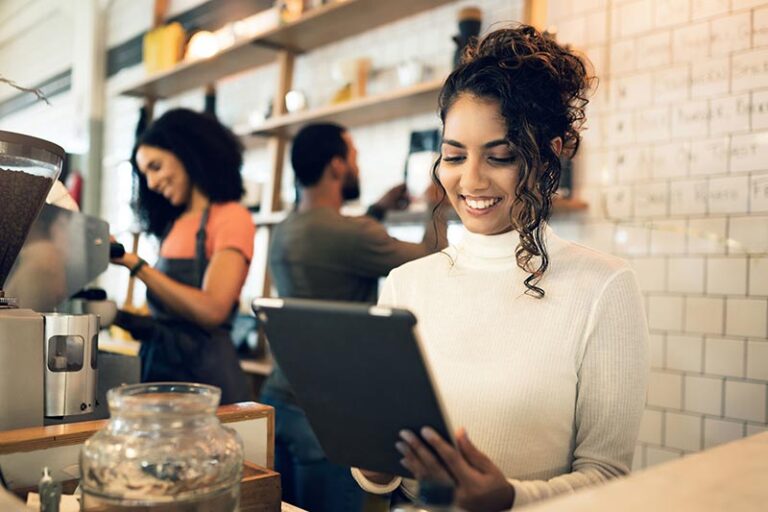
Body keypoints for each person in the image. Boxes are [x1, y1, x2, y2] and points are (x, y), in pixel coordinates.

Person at [353, 26, 649, 511]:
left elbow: (607, 477)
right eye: (453, 156)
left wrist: (509, 498)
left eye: (501, 156)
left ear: (551, 153)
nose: (470, 180)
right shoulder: (406, 283)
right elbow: (377, 472)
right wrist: (373, 465)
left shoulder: (603, 287)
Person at [260, 122, 449, 512]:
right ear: (335, 166)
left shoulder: (285, 229)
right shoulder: (352, 234)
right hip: (328, 417)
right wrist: (438, 204)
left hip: (279, 400)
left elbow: (339, 247)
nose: (356, 167)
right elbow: (433, 260)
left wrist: (377, 210)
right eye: (354, 158)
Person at [111, 108, 252, 405]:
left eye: (156, 167)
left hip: (207, 382)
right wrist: (115, 316)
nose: (151, 183)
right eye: (145, 173)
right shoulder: (174, 225)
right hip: (159, 375)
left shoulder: (230, 217)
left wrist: (135, 265)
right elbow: (170, 322)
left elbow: (211, 310)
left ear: (186, 152)